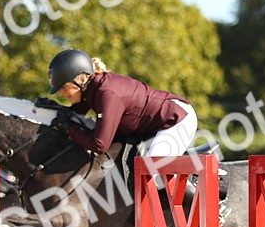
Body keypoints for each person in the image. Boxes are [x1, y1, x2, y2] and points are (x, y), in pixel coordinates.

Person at [46, 49, 198, 158]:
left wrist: (69, 129)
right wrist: (49, 109)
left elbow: (99, 145)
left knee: (152, 174)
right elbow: (75, 114)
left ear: (80, 79)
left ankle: (193, 187)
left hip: (175, 120)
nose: (61, 93)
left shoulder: (107, 93)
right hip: (155, 125)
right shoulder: (91, 89)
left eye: (63, 88)